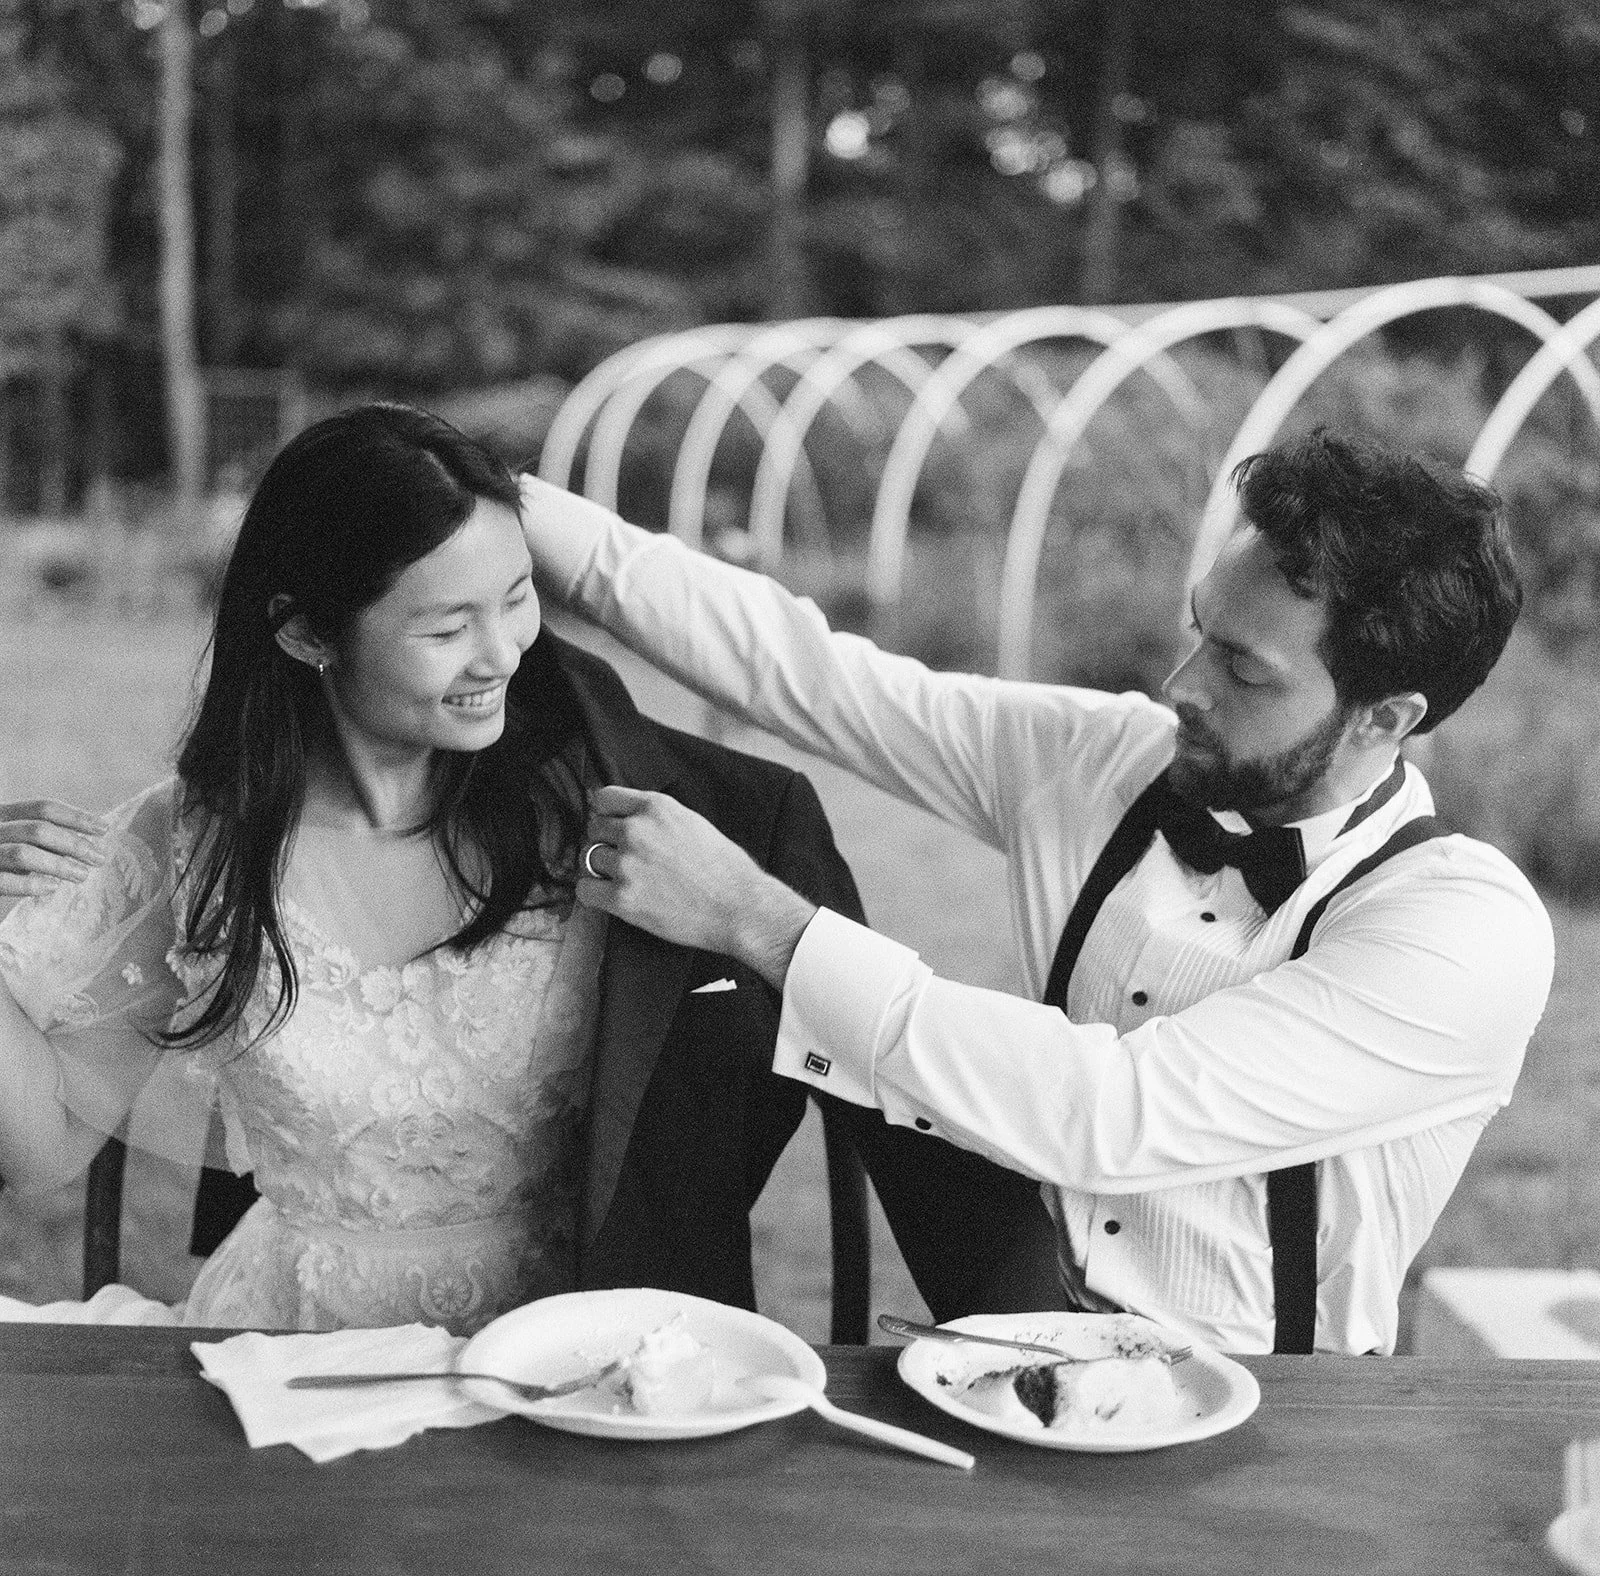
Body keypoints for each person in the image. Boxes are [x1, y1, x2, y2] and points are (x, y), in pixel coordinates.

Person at [0, 403, 1060, 1335]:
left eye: (516, 597)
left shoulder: (605, 824)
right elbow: (43, 1141)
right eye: (446, 625)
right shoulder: (193, 846)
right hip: (292, 1356)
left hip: (571, 1355)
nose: (503, 651)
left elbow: (866, 1075)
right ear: (305, 634)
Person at [516, 428, 1556, 1356]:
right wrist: (495, 501)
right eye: (1200, 632)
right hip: (1003, 1335)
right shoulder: (1103, 761)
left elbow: (1107, 1110)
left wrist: (758, 919)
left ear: (1385, 717)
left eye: (1242, 670)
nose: (1179, 686)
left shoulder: (1462, 932)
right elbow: (814, 674)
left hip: (1270, 1424)